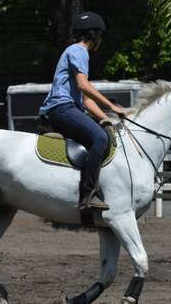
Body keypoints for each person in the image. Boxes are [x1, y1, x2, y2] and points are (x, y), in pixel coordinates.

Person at [39, 11, 126, 211]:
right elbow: (83, 86)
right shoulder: (79, 51)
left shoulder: (75, 52)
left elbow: (86, 100)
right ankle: (88, 194)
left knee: (103, 134)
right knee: (101, 139)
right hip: (61, 108)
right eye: (100, 37)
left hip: (68, 107)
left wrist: (107, 119)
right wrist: (112, 107)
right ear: (94, 35)